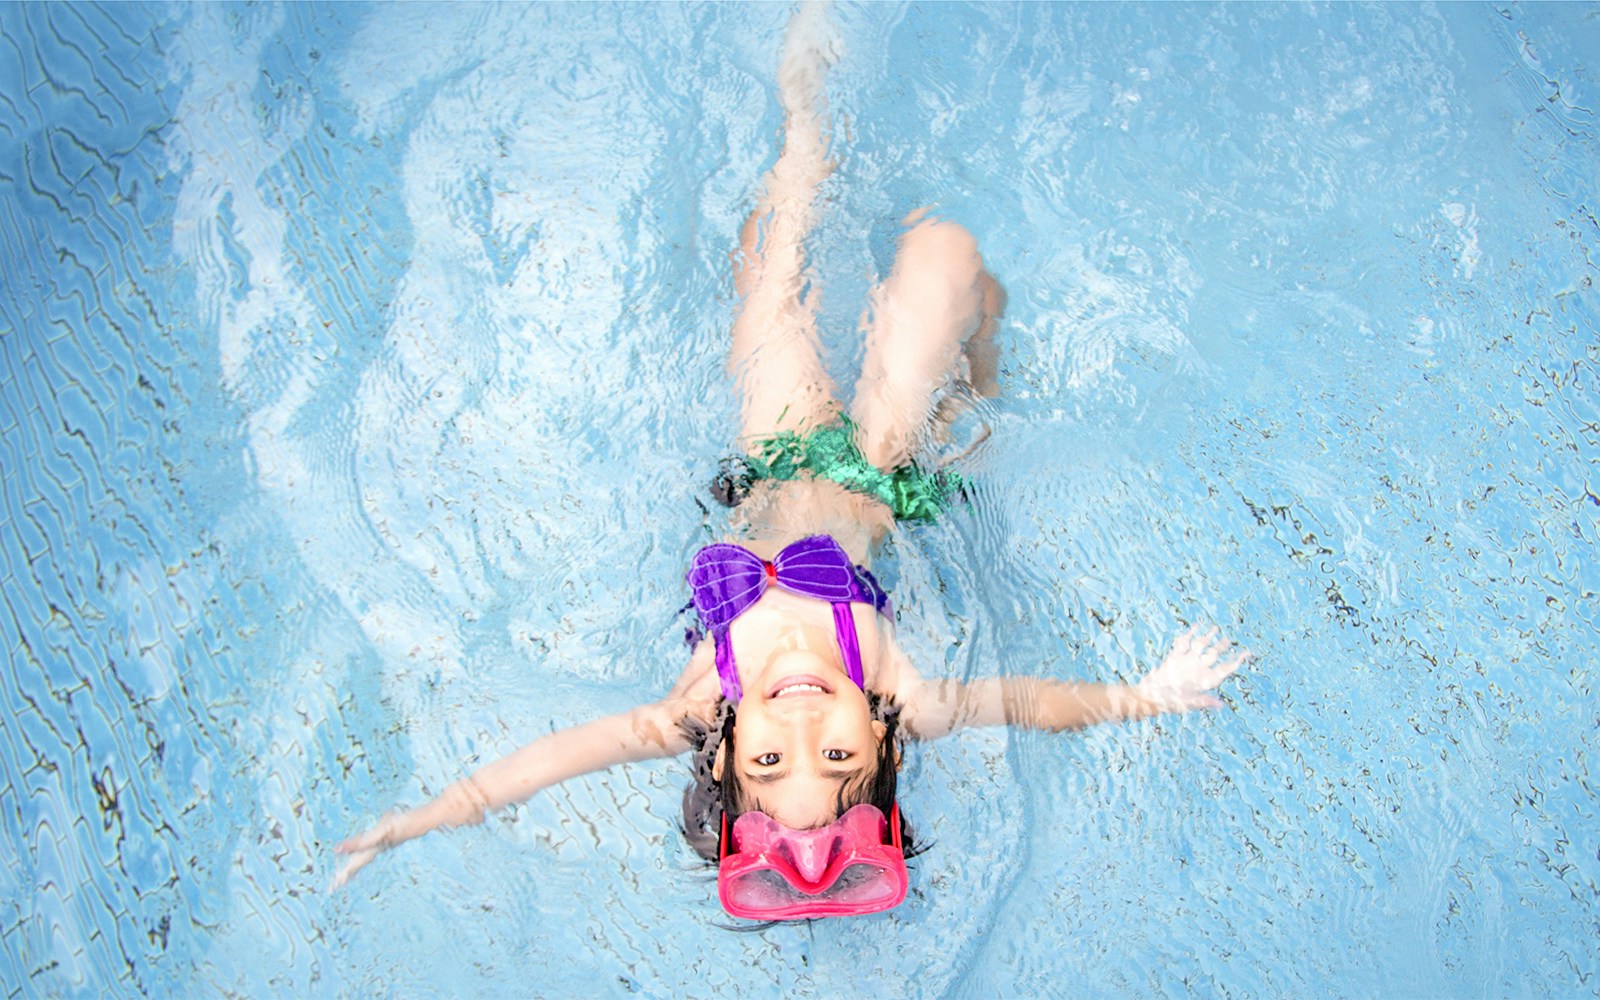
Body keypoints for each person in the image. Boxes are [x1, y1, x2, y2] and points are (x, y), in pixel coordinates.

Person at [332, 2, 1247, 917]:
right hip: (884, 476)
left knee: (771, 256)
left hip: (772, 459)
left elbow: (551, 761)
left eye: (770, 758)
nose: (803, 722)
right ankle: (981, 363)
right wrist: (1147, 696)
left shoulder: (695, 708)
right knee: (946, 256)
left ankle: (805, 112)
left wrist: (422, 819)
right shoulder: (905, 697)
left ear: (724, 759)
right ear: (884, 746)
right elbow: (1027, 703)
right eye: (838, 755)